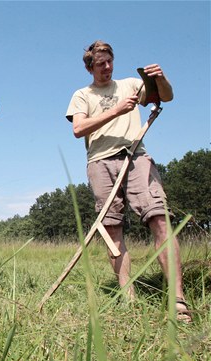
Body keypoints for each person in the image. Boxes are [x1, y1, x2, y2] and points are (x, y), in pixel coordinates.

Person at [65, 40, 191, 322]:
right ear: (90, 67)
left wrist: (161, 78)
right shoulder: (82, 95)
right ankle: (128, 297)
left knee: (159, 218)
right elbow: (78, 129)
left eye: (110, 61)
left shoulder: (131, 84)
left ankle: (177, 299)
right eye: (100, 64)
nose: (107, 67)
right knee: (112, 229)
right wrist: (116, 111)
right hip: (100, 162)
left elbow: (164, 97)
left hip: (136, 156)